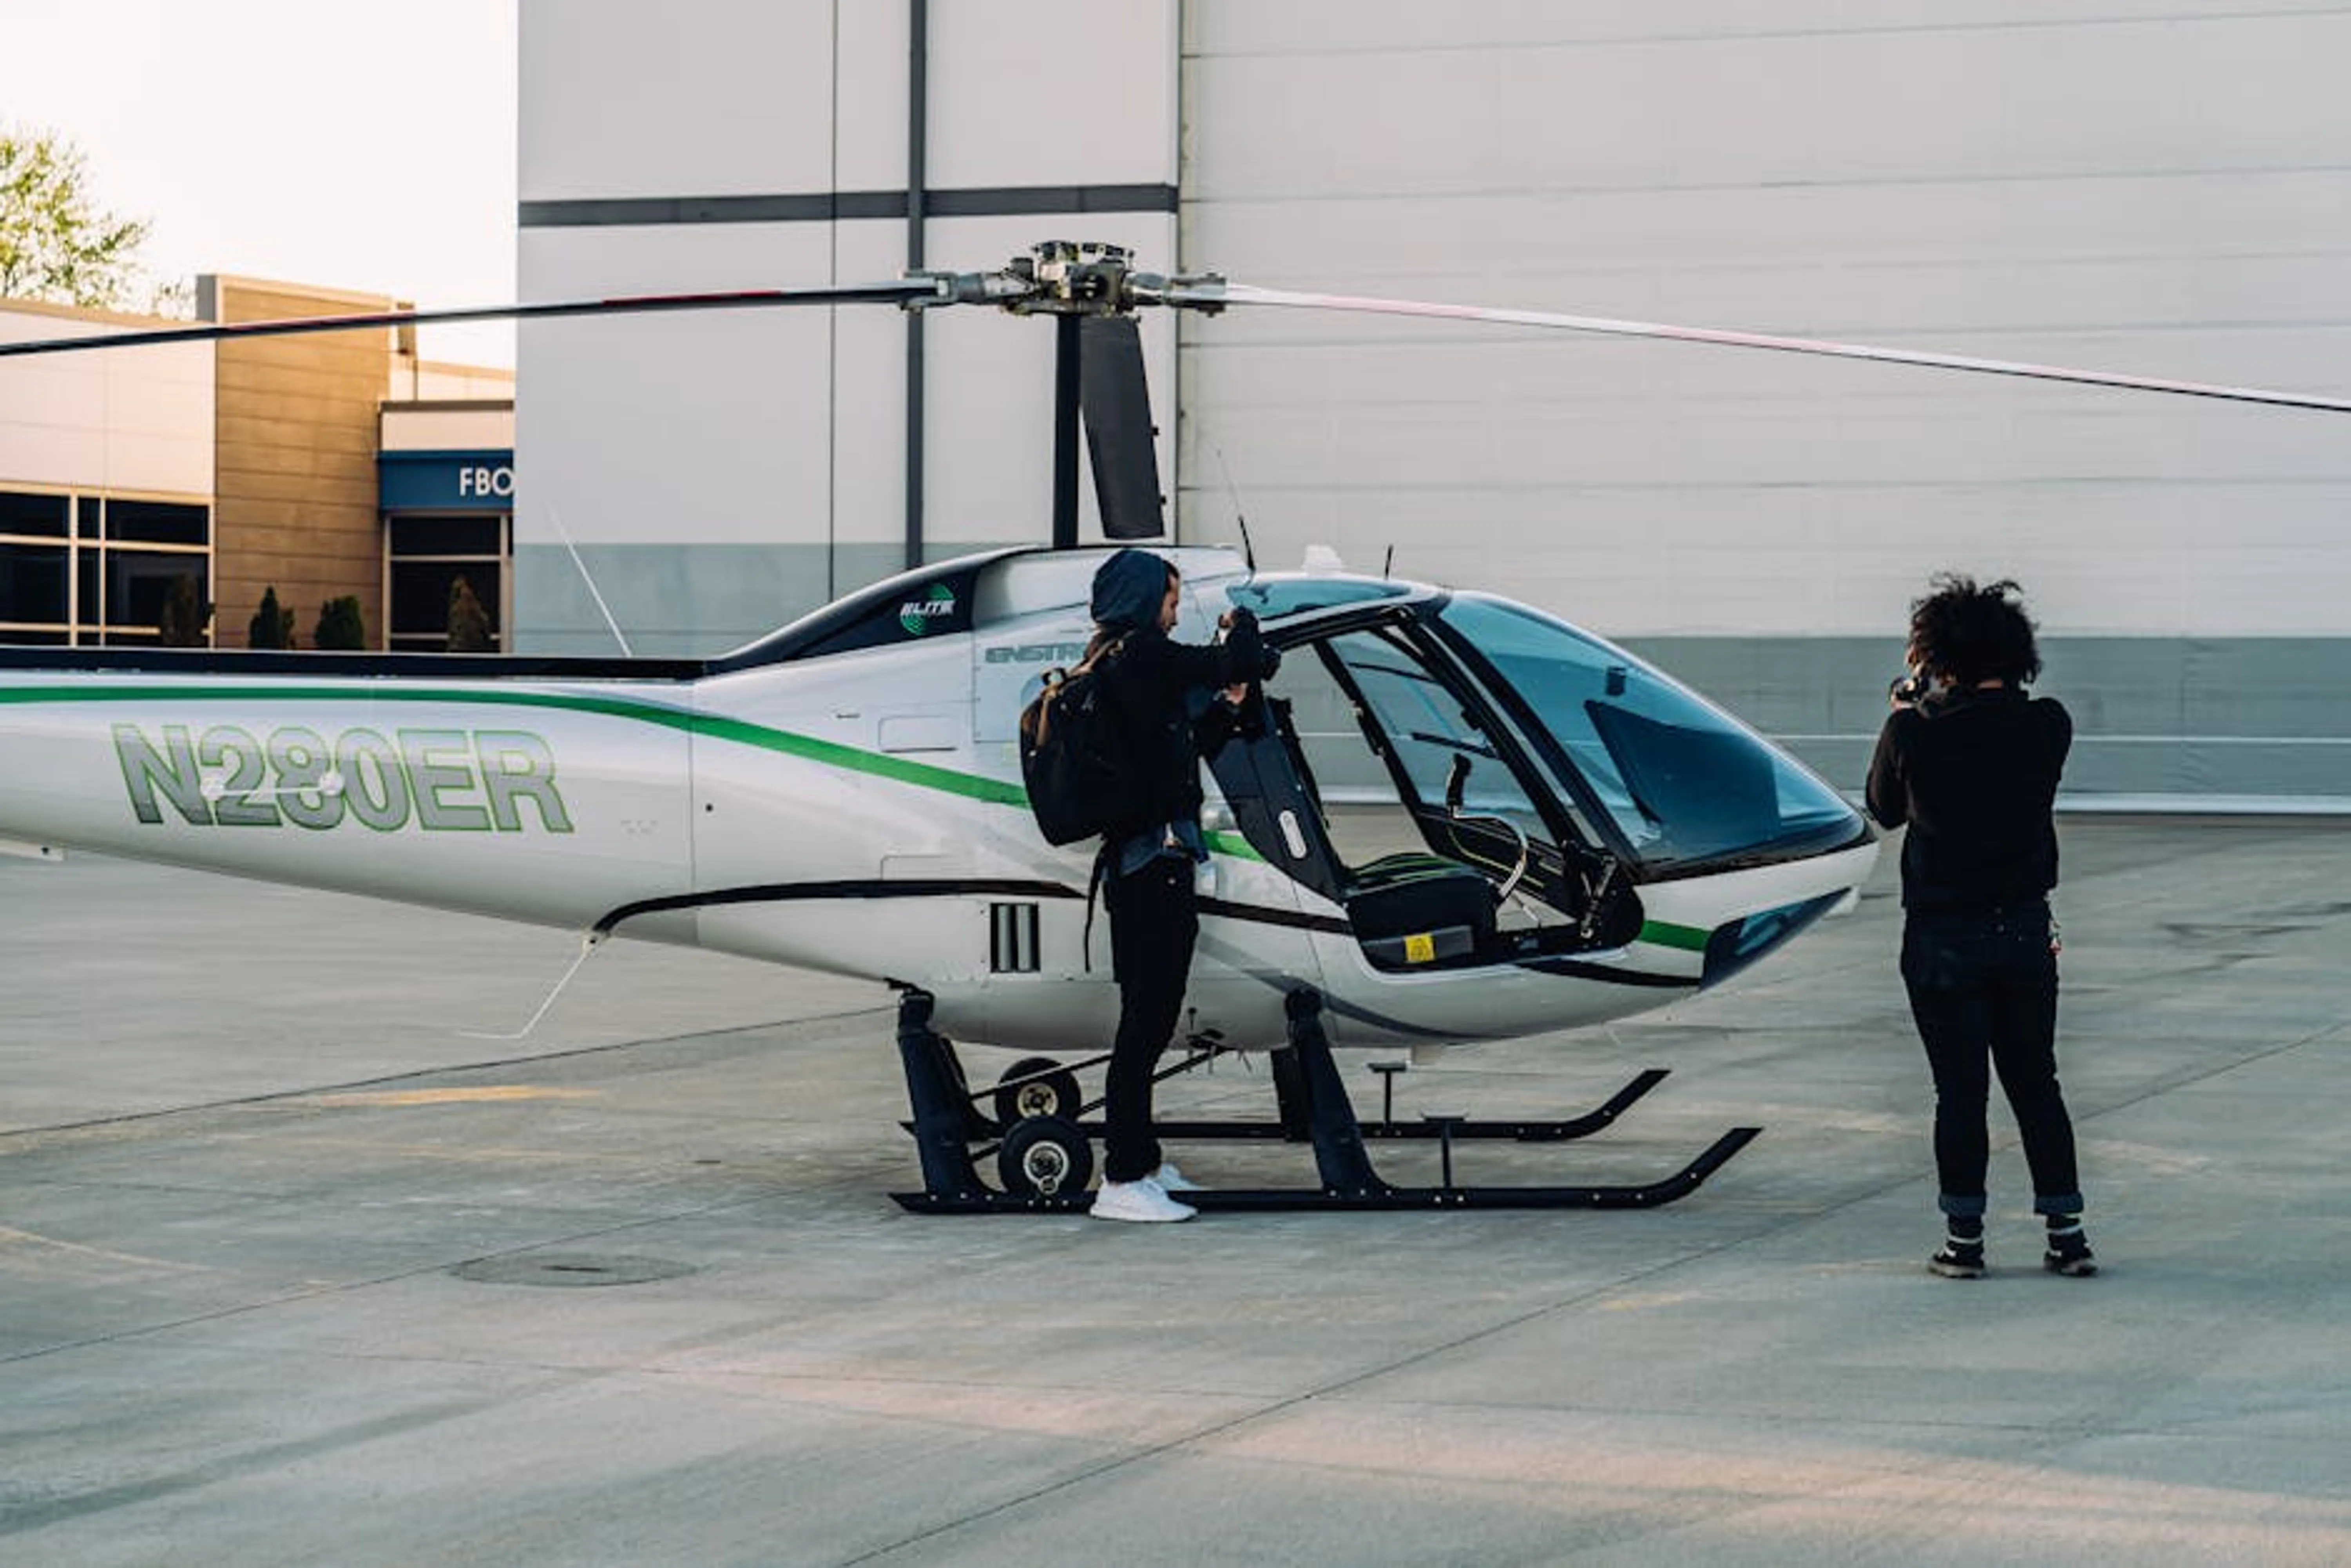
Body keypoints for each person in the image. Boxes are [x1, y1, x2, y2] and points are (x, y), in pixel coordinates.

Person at [1866, 574, 2095, 1279]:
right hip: (2024, 930)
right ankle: (2067, 1234)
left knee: (1959, 1091)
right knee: (2037, 1082)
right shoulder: (2048, 725)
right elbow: (1996, 732)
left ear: (1938, 655)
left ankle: (1965, 1240)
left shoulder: (1915, 732)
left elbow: (1884, 808)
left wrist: (1906, 706)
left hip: (1942, 936)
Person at [1083, 547, 1278, 1223]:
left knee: (1150, 1017)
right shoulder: (1142, 656)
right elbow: (1238, 661)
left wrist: (1229, 699)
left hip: (1147, 867)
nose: (1175, 611)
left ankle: (1144, 1159)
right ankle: (1123, 1179)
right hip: (1149, 871)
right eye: (1170, 599)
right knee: (1145, 1023)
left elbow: (1189, 742)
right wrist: (1241, 625)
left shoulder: (1124, 663)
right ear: (1145, 603)